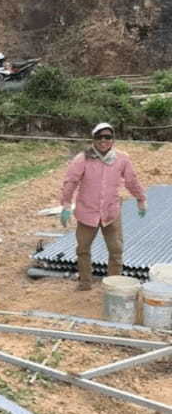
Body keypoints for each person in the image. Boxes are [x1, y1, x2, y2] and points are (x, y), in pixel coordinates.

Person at [60, 122, 147, 291]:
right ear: (93, 139)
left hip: (111, 212)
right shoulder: (82, 158)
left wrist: (141, 199)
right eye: (99, 137)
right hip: (87, 212)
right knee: (83, 249)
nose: (103, 141)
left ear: (112, 139)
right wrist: (65, 205)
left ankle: (113, 285)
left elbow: (131, 180)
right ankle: (85, 282)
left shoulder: (122, 159)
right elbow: (70, 182)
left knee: (116, 250)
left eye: (107, 137)